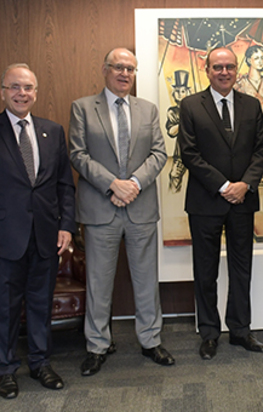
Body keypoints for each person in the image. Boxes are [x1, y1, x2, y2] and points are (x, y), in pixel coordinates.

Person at [69, 48, 173, 377]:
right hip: (101, 208)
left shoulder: (148, 109)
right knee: (99, 282)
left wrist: (134, 184)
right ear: (105, 69)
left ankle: (150, 340)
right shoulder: (83, 108)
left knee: (146, 280)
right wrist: (113, 184)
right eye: (118, 67)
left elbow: (159, 153)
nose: (125, 73)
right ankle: (98, 345)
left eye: (130, 68)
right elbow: (78, 154)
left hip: (140, 207)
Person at [178, 47, 263, 360]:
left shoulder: (252, 105)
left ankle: (241, 330)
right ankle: (209, 332)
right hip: (205, 202)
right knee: (206, 271)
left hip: (243, 201)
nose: (224, 72)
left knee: (241, 269)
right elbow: (189, 154)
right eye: (218, 67)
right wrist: (223, 185)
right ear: (207, 70)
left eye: (229, 66)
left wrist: (245, 184)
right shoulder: (190, 105)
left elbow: (262, 150)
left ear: (236, 69)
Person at [0, 63, 75, 399]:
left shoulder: (52, 130)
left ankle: (41, 363)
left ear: (36, 92)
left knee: (41, 303)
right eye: (15, 87)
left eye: (28, 88)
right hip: (6, 237)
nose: (22, 93)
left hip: (46, 236)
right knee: (5, 306)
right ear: (3, 92)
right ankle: (5, 369)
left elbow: (64, 186)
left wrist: (66, 227)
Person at [234, 44, 263, 132]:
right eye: (256, 58)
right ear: (249, 60)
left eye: (262, 58)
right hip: (248, 128)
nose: (260, 61)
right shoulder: (240, 83)